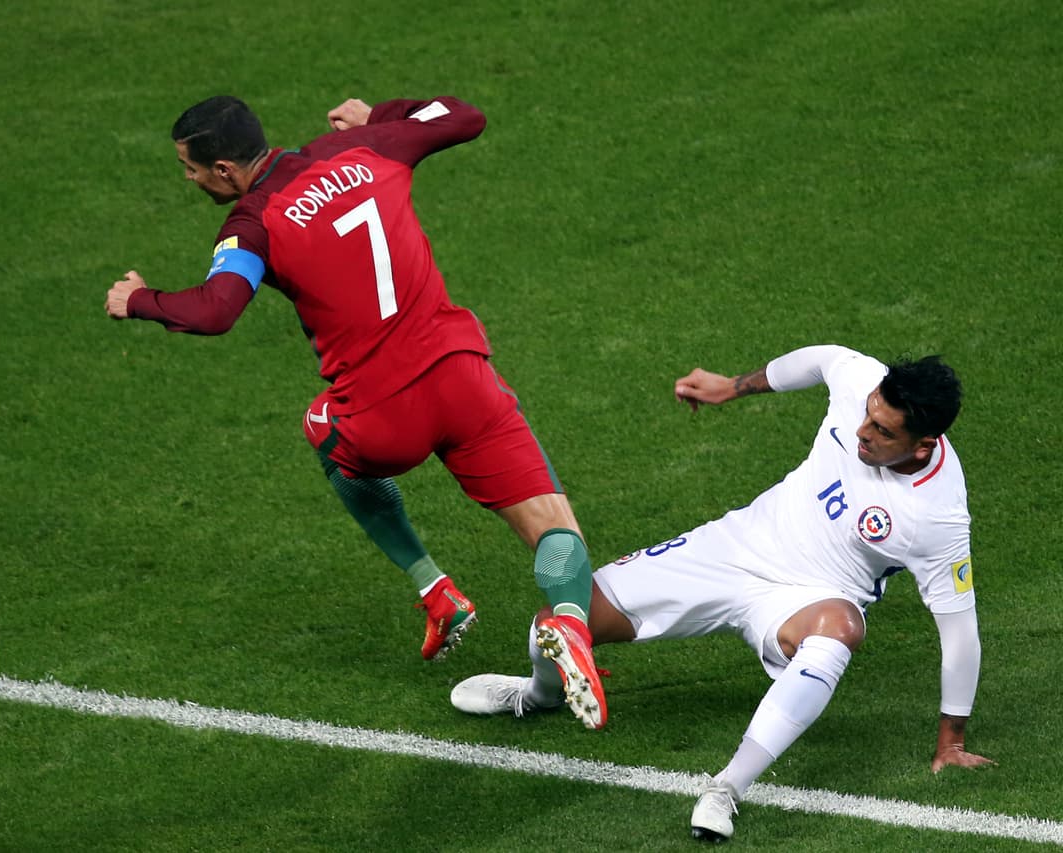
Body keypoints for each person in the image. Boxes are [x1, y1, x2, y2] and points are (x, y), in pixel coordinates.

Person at [104, 94, 606, 725]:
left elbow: (215, 309)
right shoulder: (368, 145)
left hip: (382, 417)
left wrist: (140, 298)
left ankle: (434, 587)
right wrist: (386, 114)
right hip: (462, 377)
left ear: (227, 171)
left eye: (192, 168)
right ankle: (570, 624)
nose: (190, 178)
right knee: (553, 525)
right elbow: (464, 116)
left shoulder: (251, 220)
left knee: (321, 425)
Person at [450, 344, 994, 840]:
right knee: (560, 617)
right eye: (867, 416)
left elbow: (959, 630)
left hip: (808, 599)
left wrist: (952, 740)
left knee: (842, 630)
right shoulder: (861, 384)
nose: (862, 433)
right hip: (733, 547)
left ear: (923, 445)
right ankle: (539, 694)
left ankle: (727, 787)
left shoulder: (937, 517)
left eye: (882, 433)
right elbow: (823, 358)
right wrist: (731, 386)